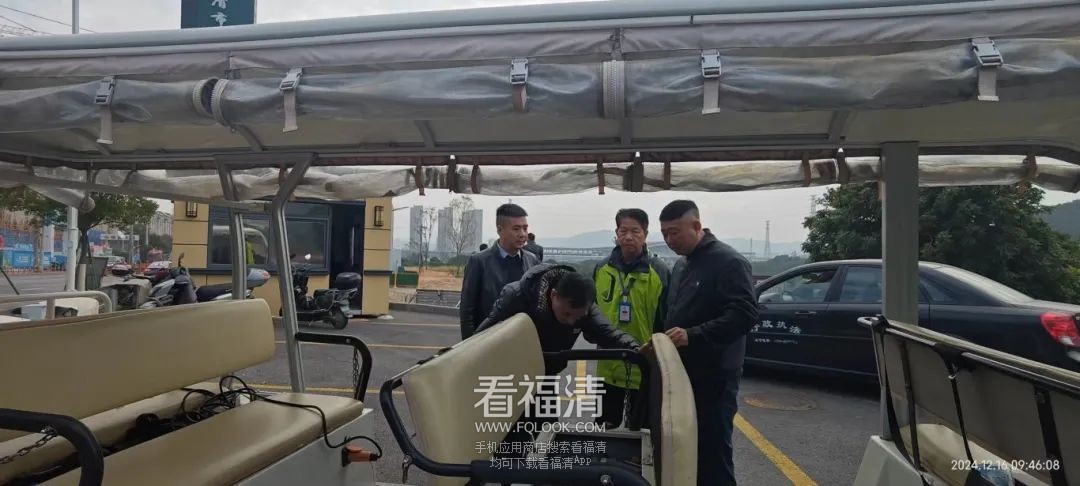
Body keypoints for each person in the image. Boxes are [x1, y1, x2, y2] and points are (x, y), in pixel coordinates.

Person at [658, 200, 758, 486]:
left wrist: (693, 334)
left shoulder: (728, 261)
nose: (669, 240)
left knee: (713, 450)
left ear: (697, 226)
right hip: (684, 373)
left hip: (715, 376)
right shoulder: (681, 264)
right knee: (687, 447)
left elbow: (744, 314)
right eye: (664, 233)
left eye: (675, 232)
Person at [474, 263, 640, 375]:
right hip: (510, 375)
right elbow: (482, 336)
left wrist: (636, 349)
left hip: (548, 374)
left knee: (545, 416)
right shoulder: (517, 297)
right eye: (566, 314)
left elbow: (609, 333)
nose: (571, 321)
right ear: (553, 295)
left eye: (578, 317)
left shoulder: (584, 305)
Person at [592, 208, 669, 428]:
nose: (628, 237)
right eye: (623, 231)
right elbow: (593, 311)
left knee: (641, 432)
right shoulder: (602, 269)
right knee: (604, 430)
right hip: (607, 365)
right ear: (616, 233)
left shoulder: (658, 271)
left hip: (644, 364)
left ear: (645, 234)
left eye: (635, 231)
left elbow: (666, 318)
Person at [459, 203, 540, 340]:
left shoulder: (532, 260)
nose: (522, 234)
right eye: (516, 229)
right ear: (499, 229)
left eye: (525, 228)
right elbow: (467, 310)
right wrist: (469, 344)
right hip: (488, 340)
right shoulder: (479, 262)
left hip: (522, 339)